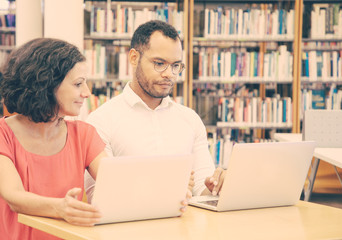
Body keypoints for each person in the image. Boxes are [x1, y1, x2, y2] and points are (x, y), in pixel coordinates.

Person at [85, 20, 226, 201]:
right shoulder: (101, 121)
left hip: (184, 226)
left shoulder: (190, 119)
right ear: (134, 58)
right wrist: (164, 190)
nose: (169, 74)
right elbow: (98, 197)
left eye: (176, 65)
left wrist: (219, 187)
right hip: (129, 228)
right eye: (159, 63)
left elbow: (200, 189)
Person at [0, 38, 108, 240]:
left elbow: (117, 181)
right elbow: (13, 196)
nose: (87, 93)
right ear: (46, 85)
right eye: (78, 84)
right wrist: (59, 207)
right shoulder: (3, 134)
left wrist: (168, 195)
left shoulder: (84, 134)